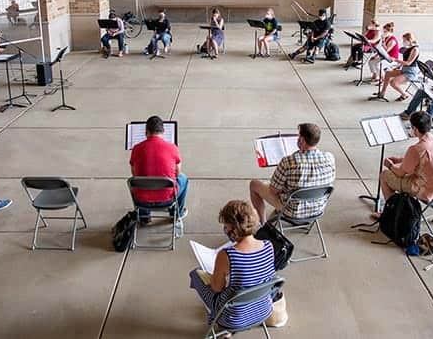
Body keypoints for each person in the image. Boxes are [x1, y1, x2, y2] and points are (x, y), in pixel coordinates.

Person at [189, 200, 282, 334]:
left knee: (196, 275)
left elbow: (216, 288)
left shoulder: (227, 255)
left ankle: (218, 324)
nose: (225, 230)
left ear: (234, 229)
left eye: (226, 227)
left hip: (233, 319)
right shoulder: (268, 245)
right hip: (263, 310)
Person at [249, 123, 336, 224]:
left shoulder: (289, 161)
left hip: (292, 210)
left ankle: (263, 224)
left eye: (298, 136)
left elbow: (273, 190)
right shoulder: (330, 158)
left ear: (302, 140)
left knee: (254, 184)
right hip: (317, 208)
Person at [377, 111, 433, 216]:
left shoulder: (416, 149)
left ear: (415, 129)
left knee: (385, 175)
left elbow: (400, 173)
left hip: (430, 192)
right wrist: (401, 160)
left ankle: (393, 212)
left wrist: (390, 165)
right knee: (411, 174)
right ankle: (400, 208)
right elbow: (424, 161)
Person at [129, 115, 189, 223]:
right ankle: (176, 214)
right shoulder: (172, 148)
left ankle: (145, 217)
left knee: (138, 181)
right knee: (183, 178)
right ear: (163, 131)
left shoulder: (136, 149)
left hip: (142, 201)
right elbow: (177, 173)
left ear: (146, 131)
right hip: (167, 200)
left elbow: (134, 173)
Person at [374, 32, 420, 102]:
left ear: (410, 40)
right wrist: (398, 66)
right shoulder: (409, 48)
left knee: (393, 82)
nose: (403, 42)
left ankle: (404, 94)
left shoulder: (415, 49)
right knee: (387, 73)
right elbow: (405, 60)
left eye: (404, 40)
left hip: (410, 72)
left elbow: (408, 63)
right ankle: (382, 93)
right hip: (405, 69)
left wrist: (395, 60)